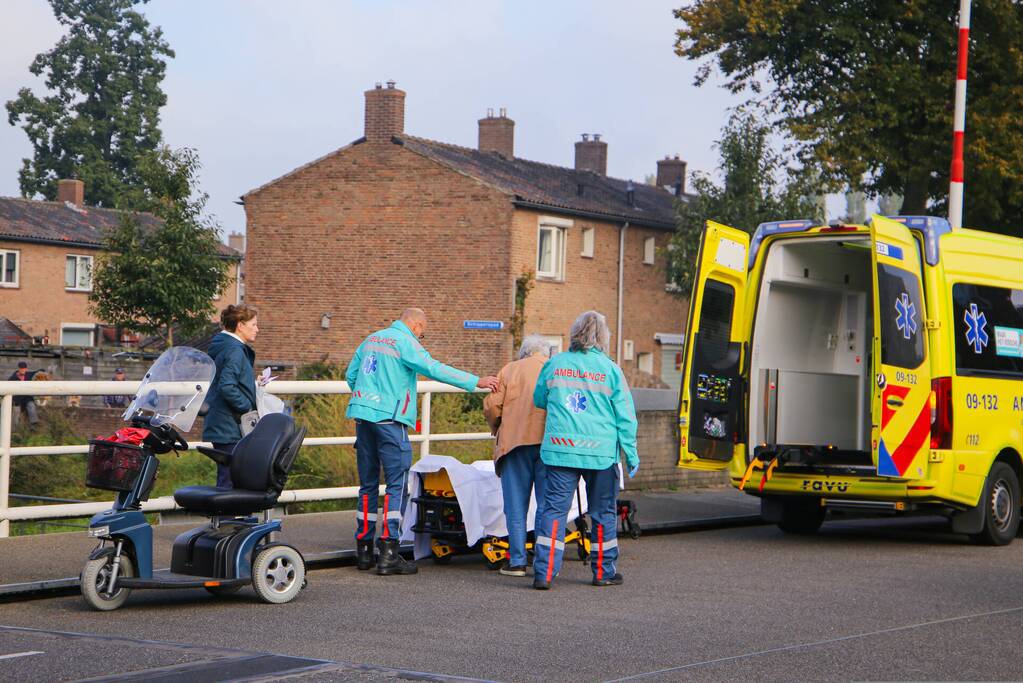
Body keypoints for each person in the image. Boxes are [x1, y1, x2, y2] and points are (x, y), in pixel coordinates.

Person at [346, 308, 499, 576]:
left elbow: (351, 376)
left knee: (367, 486)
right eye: (423, 334)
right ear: (416, 326)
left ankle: (364, 551)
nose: (421, 338)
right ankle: (389, 553)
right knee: (396, 485)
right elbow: (433, 368)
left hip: (362, 416)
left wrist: (369, 398)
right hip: (390, 420)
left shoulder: (371, 339)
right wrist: (477, 381)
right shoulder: (405, 342)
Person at [531, 311, 639, 590]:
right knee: (603, 512)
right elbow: (626, 417)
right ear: (603, 337)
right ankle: (603, 572)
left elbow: (539, 399)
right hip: (600, 453)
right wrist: (631, 453)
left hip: (560, 450)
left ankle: (544, 573)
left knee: (553, 511)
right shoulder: (611, 370)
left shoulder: (555, 364)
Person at [483, 335, 551, 577]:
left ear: (524, 352)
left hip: (514, 445)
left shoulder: (509, 370)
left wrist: (498, 426)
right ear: (546, 353)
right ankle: (544, 562)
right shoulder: (553, 369)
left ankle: (518, 561)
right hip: (549, 445)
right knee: (547, 506)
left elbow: (492, 406)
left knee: (515, 507)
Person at [203, 305, 259, 488]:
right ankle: (229, 516)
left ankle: (227, 516)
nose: (257, 329)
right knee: (231, 477)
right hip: (230, 424)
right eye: (254, 324)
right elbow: (227, 386)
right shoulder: (235, 350)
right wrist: (247, 407)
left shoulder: (222, 346)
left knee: (228, 474)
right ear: (240, 326)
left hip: (220, 421)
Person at [8, 361, 39, 428]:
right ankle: (15, 429)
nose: (23, 370)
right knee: (16, 412)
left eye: (24, 368)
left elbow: (36, 372)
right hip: (17, 399)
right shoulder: (13, 378)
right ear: (19, 369)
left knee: (32, 406)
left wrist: (42, 370)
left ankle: (33, 425)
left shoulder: (28, 374)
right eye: (22, 368)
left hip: (27, 397)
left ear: (26, 369)